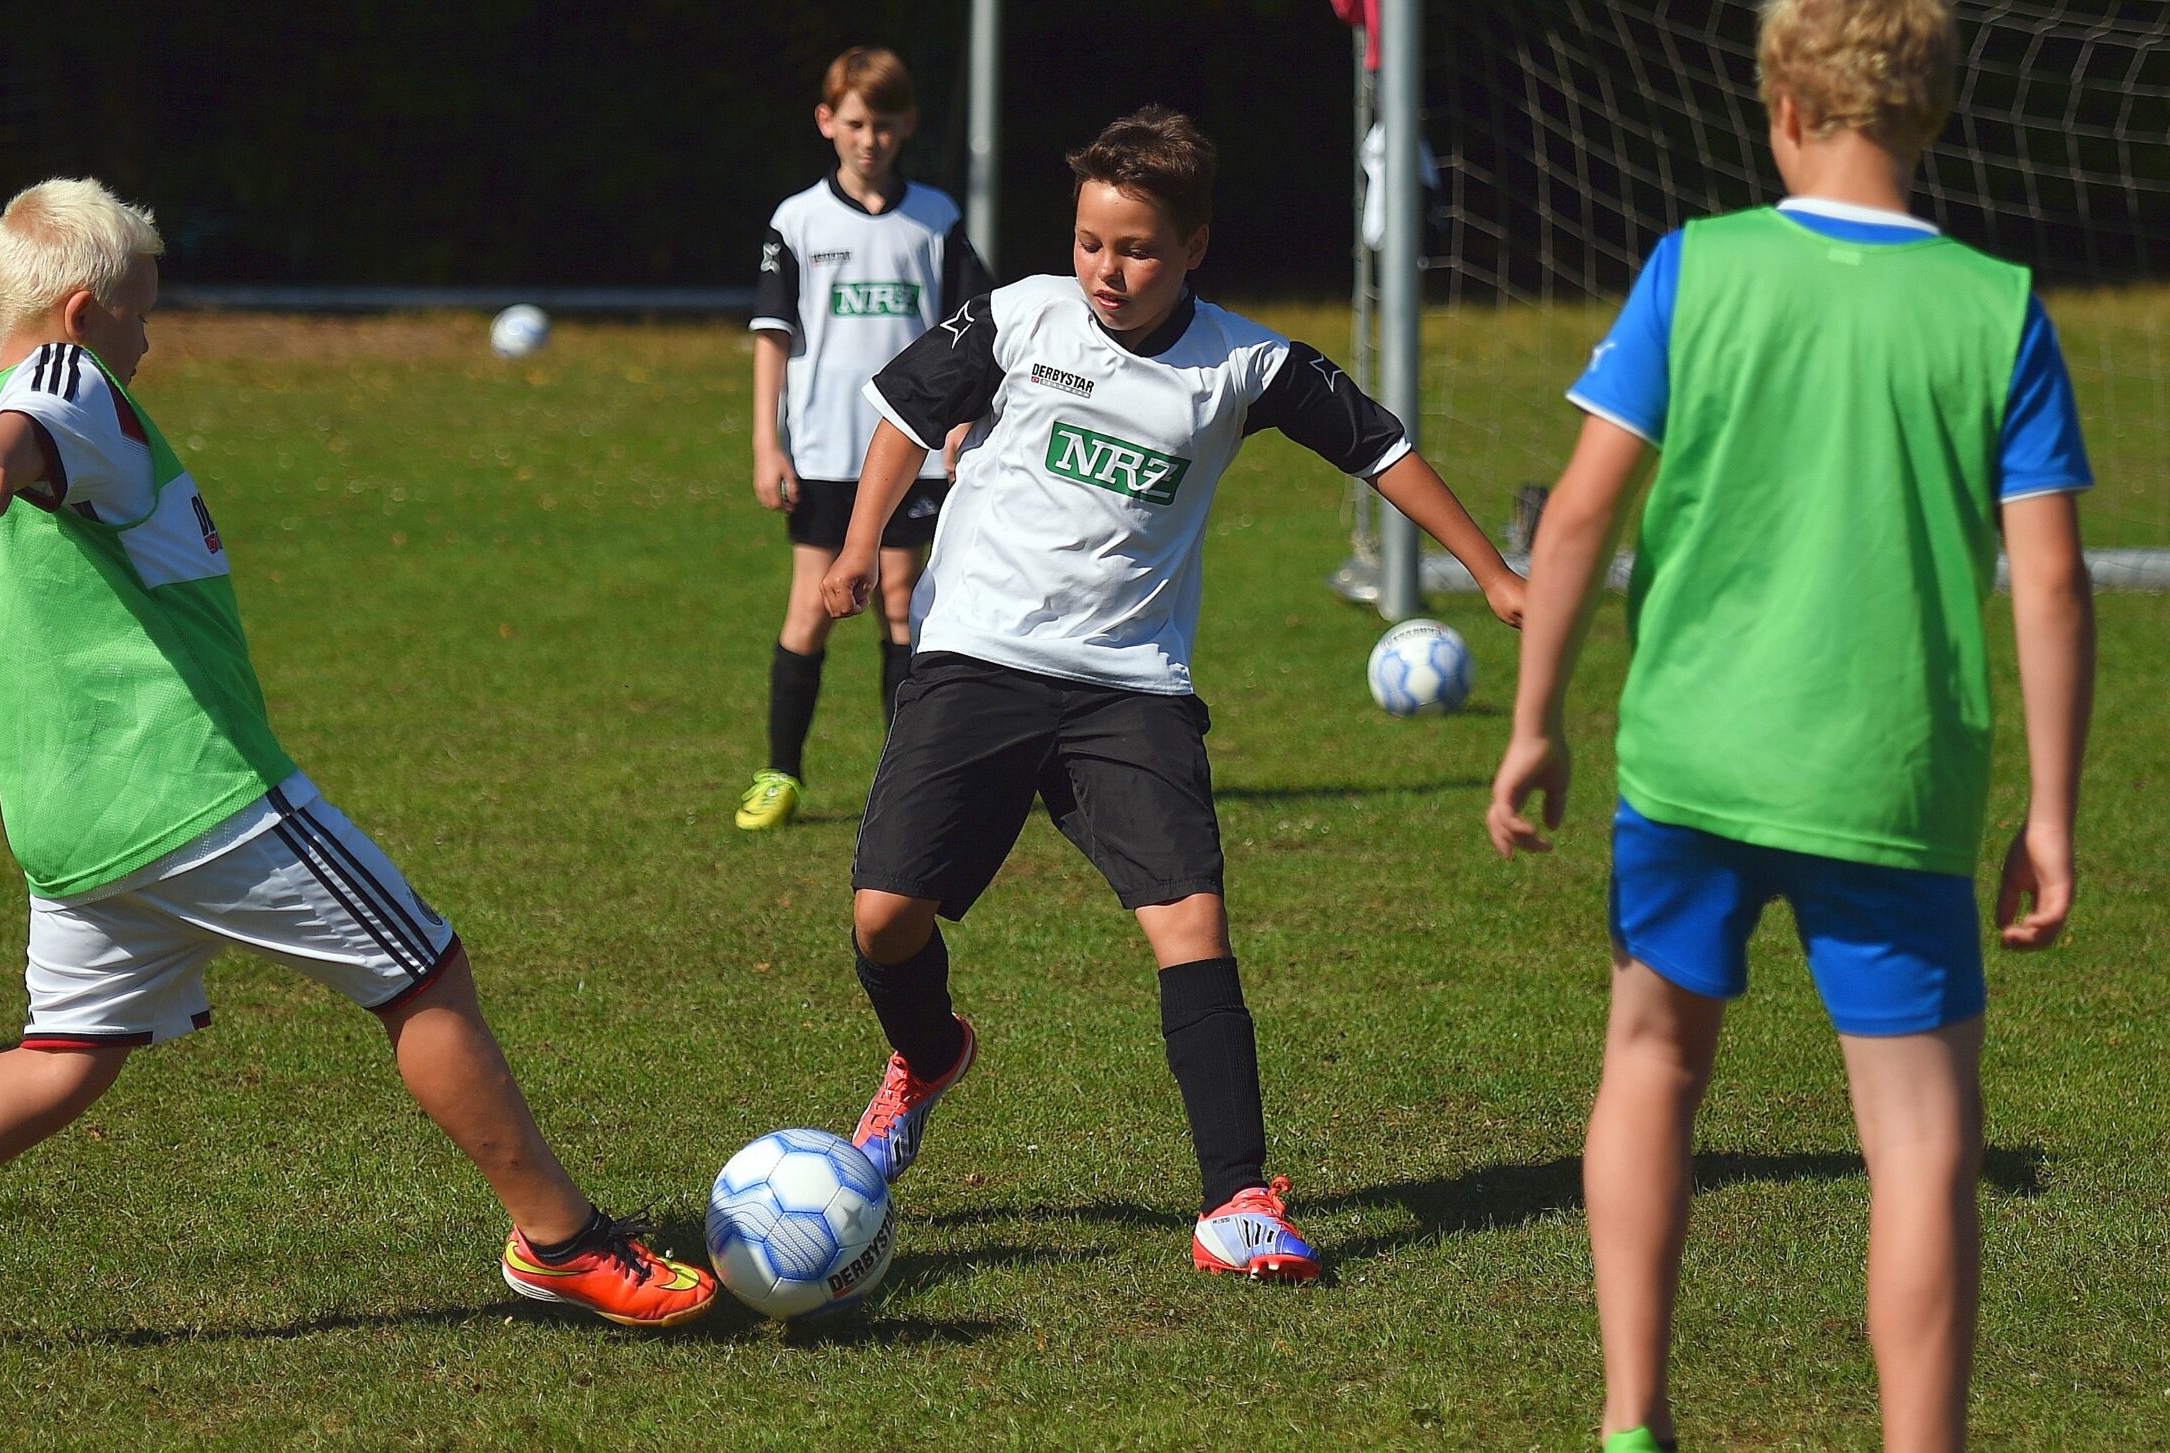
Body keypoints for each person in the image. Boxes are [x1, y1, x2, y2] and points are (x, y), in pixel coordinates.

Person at [0, 179, 717, 1362]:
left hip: (67, 819)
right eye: (143, 317)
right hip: (192, 789)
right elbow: (39, 423)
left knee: (63, 1056)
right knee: (423, 972)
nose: (149, 343)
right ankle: (559, 1242)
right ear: (86, 312)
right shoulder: (68, 385)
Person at [1484, 2, 2095, 1447]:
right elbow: (2055, 580)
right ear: (1929, 112)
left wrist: (1535, 720)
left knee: (1651, 1061)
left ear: (1783, 105)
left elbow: (1578, 513)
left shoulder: (1697, 270)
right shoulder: (1996, 304)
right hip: (1889, 780)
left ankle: (1635, 1420)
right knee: (1924, 1144)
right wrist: (2054, 812)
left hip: (1692, 758)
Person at [823, 108, 1527, 1280]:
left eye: (1138, 249)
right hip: (977, 657)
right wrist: (857, 549)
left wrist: (1496, 577)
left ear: (1194, 247)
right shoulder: (1018, 315)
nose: (1108, 270)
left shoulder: (1245, 365)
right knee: (883, 920)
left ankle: (1237, 1198)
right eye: (1093, 242)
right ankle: (929, 1052)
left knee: (1189, 923)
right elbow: (902, 413)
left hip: (1128, 689)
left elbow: (1377, 447)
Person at [737, 45, 991, 830]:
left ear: (908, 124)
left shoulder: (938, 220)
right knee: (810, 609)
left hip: (907, 454)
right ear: (826, 123)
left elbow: (972, 335)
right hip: (821, 451)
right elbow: (773, 336)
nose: (869, 138)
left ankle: (901, 778)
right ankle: (780, 773)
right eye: (854, 122)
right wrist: (765, 444)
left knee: (903, 605)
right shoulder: (797, 220)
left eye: (884, 124)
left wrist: (958, 423)